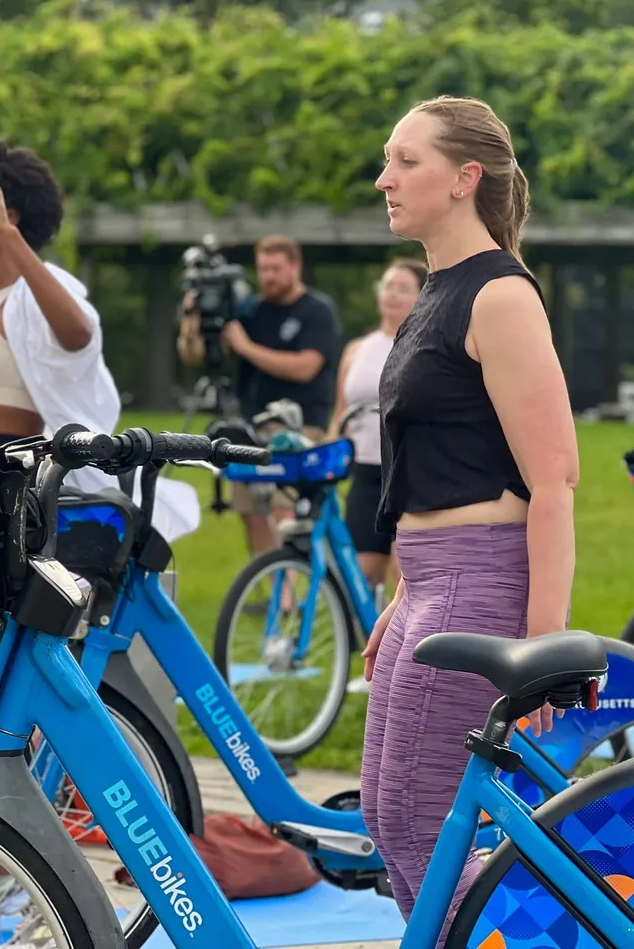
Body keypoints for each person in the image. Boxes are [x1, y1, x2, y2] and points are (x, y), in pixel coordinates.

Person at [359, 95, 578, 943]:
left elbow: (555, 479)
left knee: (416, 819)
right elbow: (440, 464)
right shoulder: (437, 291)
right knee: (386, 814)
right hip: (431, 585)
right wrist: (401, 597)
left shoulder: (501, 297)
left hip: (479, 585)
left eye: (405, 160)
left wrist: (543, 644)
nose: (385, 178)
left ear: (465, 178)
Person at [0, 140, 199, 705]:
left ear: (8, 214)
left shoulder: (40, 289)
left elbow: (78, 335)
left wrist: (12, 243)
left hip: (9, 497)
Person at [177, 235, 342, 554]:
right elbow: (193, 355)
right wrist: (191, 317)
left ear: (296, 267)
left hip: (300, 426)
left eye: (276, 268)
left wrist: (246, 348)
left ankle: (287, 595)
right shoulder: (251, 310)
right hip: (252, 426)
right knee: (251, 511)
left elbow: (306, 367)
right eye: (263, 268)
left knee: (284, 507)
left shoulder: (316, 311)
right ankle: (269, 589)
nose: (268, 276)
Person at [328, 257, 426, 593]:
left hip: (408, 471)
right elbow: (341, 412)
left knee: (404, 574)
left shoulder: (423, 346)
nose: (393, 295)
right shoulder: (357, 350)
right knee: (360, 572)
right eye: (388, 286)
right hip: (364, 471)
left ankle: (402, 644)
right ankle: (366, 643)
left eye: (404, 289)